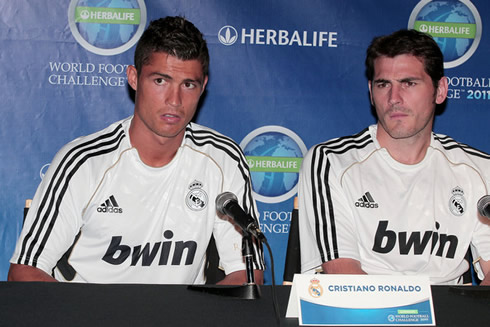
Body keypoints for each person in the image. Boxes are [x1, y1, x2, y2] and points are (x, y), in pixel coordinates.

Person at [9, 16, 264, 284]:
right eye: (160, 81)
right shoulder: (84, 161)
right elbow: (26, 271)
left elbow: (247, 275)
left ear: (203, 87)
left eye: (188, 85)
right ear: (134, 78)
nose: (174, 101)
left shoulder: (223, 158)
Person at [298, 29, 490, 285]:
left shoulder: (478, 169)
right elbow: (343, 276)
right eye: (383, 84)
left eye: (409, 83)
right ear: (371, 91)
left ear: (440, 90)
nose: (394, 99)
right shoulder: (331, 162)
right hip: (362, 318)